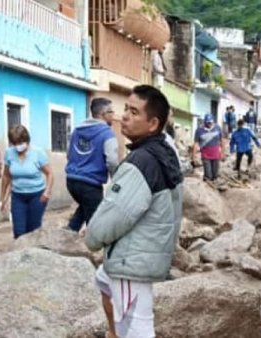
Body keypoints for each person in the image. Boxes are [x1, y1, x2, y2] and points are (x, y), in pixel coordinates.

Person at [85, 85, 183, 338]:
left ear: (152, 124)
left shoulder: (142, 162)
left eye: (134, 112)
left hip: (133, 262)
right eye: (125, 108)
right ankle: (113, 333)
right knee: (104, 281)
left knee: (138, 331)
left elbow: (117, 214)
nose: (124, 116)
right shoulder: (163, 151)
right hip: (141, 253)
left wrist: (92, 238)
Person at [66, 98, 119, 233]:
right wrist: (116, 180)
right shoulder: (107, 133)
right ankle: (95, 250)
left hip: (71, 181)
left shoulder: (77, 131)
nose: (114, 116)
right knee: (96, 222)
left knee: (84, 208)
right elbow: (112, 160)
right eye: (112, 112)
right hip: (90, 185)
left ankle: (68, 234)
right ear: (103, 114)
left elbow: (68, 154)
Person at [0, 125, 53, 239]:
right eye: (15, 143)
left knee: (33, 230)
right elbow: (6, 176)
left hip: (37, 196)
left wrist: (47, 191)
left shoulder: (38, 153)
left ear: (26, 140)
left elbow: (50, 174)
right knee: (19, 231)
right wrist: (2, 198)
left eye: (20, 142)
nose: (18, 146)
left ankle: (33, 254)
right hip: (17, 196)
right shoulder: (9, 153)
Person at [192, 114, 224, 182]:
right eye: (208, 123)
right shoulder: (199, 130)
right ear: (205, 122)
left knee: (215, 175)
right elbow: (196, 143)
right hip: (205, 156)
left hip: (216, 155)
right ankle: (207, 188)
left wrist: (222, 152)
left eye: (210, 122)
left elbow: (222, 141)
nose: (209, 124)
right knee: (208, 176)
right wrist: (193, 157)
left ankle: (214, 190)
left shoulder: (218, 128)